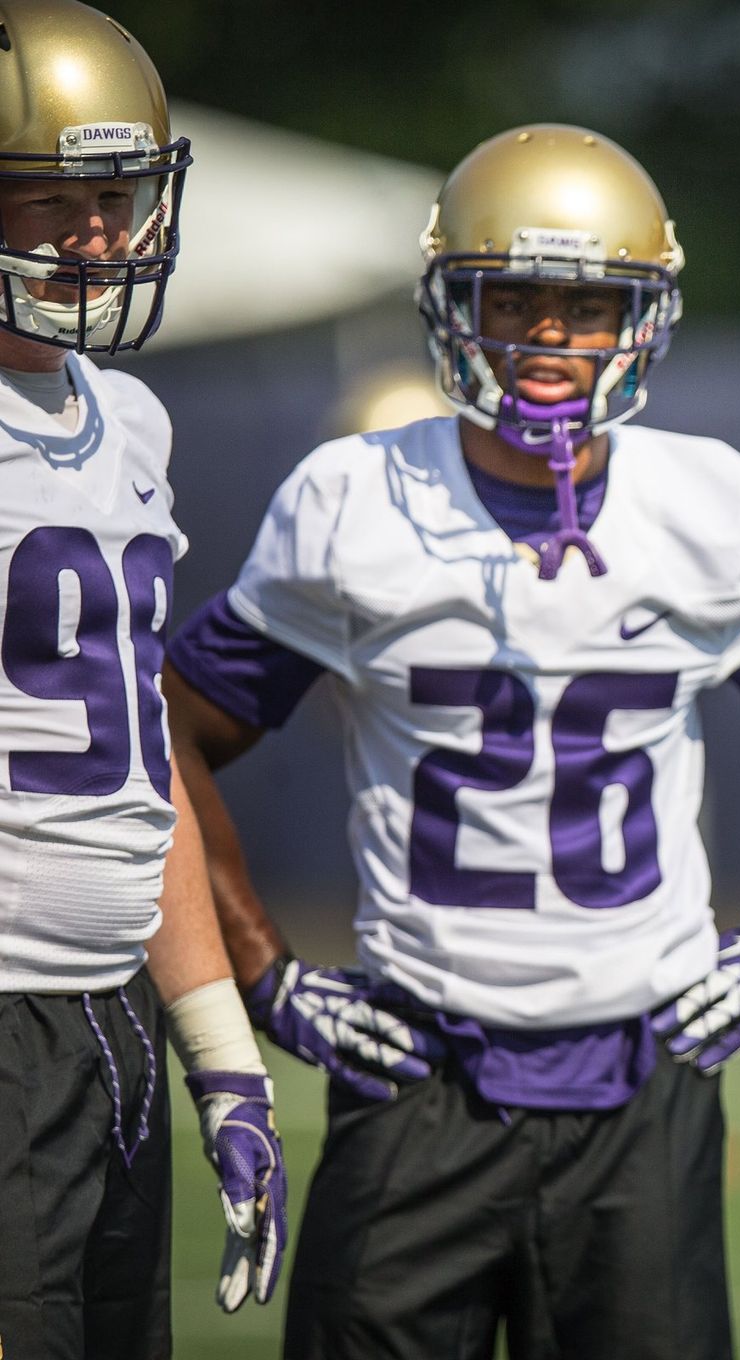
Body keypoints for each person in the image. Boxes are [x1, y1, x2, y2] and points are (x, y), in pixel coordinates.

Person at [162, 124, 740, 1358]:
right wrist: (263, 970)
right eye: (516, 298)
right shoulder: (352, 503)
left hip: (643, 1080)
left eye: (586, 303)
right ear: (452, 301)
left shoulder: (710, 505)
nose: (551, 337)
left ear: (644, 318)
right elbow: (171, 736)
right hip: (416, 1073)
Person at [0, 1, 286, 1353]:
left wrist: (220, 1048)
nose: (93, 238)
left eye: (112, 197)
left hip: (107, 1022)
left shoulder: (130, 418)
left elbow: (139, 759)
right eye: (46, 200)